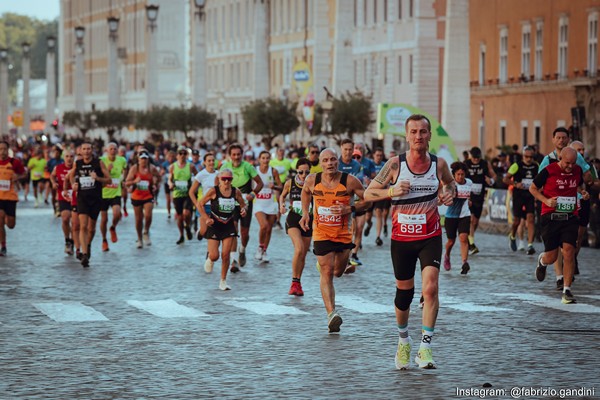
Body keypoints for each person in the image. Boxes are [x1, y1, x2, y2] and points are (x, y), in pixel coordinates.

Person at [364, 114, 455, 370]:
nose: (418, 136)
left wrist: (449, 194)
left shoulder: (439, 164)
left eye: (423, 131)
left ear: (429, 135)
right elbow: (368, 192)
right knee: (404, 295)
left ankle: (425, 347)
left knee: (430, 288)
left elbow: (451, 185)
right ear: (406, 136)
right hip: (402, 239)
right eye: (413, 132)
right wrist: (390, 191)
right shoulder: (394, 165)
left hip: (430, 236)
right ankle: (403, 340)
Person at [299, 148, 369, 333]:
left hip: (344, 234)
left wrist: (350, 208)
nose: (329, 163)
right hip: (321, 233)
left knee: (338, 272)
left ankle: (330, 268)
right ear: (320, 164)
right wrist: (305, 213)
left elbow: (368, 200)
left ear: (337, 162)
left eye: (332, 160)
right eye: (326, 160)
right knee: (327, 271)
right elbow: (305, 192)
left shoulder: (350, 181)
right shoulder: (312, 180)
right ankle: (332, 314)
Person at [538, 128, 599, 290]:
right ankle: (558, 275)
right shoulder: (548, 161)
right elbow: (537, 186)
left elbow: (587, 178)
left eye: (564, 138)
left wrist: (584, 187)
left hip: (574, 207)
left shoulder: (577, 159)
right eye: (558, 137)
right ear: (553, 140)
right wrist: (547, 199)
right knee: (553, 251)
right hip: (552, 210)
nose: (561, 140)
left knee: (572, 245)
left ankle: (567, 284)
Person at [530, 147, 589, 304]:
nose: (570, 167)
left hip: (570, 217)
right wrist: (546, 201)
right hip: (550, 217)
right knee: (552, 256)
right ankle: (542, 262)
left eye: (573, 163)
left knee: (569, 251)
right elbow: (533, 188)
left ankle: (567, 290)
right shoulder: (549, 170)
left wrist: (583, 193)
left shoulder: (576, 171)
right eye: (567, 163)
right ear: (560, 159)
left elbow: (579, 185)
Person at [197, 168, 248, 290]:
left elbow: (243, 204)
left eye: (229, 179)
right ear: (219, 179)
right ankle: (210, 258)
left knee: (226, 254)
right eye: (224, 179)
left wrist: (243, 210)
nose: (226, 182)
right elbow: (200, 204)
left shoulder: (235, 192)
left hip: (228, 225)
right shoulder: (213, 191)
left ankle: (223, 281)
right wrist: (205, 218)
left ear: (232, 180)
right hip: (215, 224)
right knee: (215, 255)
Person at [64, 142, 111, 267]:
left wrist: (98, 178)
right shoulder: (77, 163)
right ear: (81, 150)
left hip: (96, 199)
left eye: (88, 149)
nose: (86, 151)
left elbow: (109, 179)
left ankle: (88, 245)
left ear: (92, 150)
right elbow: (71, 175)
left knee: (91, 228)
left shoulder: (98, 163)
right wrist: (74, 184)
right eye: (84, 149)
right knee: (83, 226)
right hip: (82, 198)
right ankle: (84, 254)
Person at [219, 144, 263, 271]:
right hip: (230, 204)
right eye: (234, 154)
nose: (236, 157)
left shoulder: (248, 167)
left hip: (245, 204)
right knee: (233, 231)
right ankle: (233, 261)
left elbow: (260, 183)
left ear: (242, 155)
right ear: (230, 155)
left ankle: (242, 250)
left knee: (244, 233)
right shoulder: (225, 167)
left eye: (238, 154)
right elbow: (218, 183)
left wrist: (252, 194)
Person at [279, 158, 312, 296]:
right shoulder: (290, 183)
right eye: (301, 172)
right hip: (293, 218)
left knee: (303, 253)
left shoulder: (314, 183)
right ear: (296, 171)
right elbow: (282, 196)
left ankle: (298, 282)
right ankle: (293, 282)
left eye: (307, 172)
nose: (304, 175)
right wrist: (281, 205)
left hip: (309, 220)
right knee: (298, 248)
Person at [504, 146, 538, 255]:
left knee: (531, 218)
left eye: (531, 157)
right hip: (518, 195)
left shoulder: (536, 166)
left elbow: (540, 179)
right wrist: (515, 184)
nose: (529, 159)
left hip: (530, 195)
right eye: (526, 156)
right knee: (517, 221)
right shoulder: (517, 165)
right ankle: (513, 236)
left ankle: (530, 245)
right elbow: (505, 179)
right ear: (523, 156)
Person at [338, 139, 366, 271]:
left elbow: (360, 182)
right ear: (341, 149)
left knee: (356, 228)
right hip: (339, 203)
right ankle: (341, 257)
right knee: (344, 230)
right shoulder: (336, 163)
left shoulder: (357, 165)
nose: (348, 152)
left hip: (354, 202)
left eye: (350, 149)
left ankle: (353, 255)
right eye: (345, 149)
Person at [125, 150, 159, 248]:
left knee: (148, 215)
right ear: (138, 160)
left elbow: (158, 177)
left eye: (145, 159)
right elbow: (127, 182)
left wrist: (155, 184)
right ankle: (139, 239)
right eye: (142, 159)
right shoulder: (134, 169)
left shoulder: (152, 168)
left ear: (148, 160)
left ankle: (146, 231)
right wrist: (135, 181)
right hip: (136, 196)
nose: (144, 161)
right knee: (139, 219)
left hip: (148, 196)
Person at [465, 146, 496, 255]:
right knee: (472, 219)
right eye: (474, 158)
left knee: (476, 221)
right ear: (471, 156)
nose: (476, 160)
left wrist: (491, 180)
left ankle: (470, 239)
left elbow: (494, 176)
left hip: (480, 195)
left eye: (478, 158)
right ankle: (471, 243)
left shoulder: (485, 163)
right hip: (469, 196)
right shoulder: (466, 164)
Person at [443, 162, 472, 274]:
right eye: (458, 174)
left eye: (462, 174)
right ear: (454, 175)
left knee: (464, 238)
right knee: (451, 241)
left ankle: (464, 263)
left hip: (464, 214)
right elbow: (446, 201)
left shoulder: (469, 183)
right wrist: (451, 196)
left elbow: (470, 196)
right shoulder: (450, 185)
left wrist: (469, 201)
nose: (460, 177)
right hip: (451, 216)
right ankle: (447, 255)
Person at [253, 151, 282, 262]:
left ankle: (265, 251)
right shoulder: (254, 171)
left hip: (271, 203)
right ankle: (260, 247)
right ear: (259, 159)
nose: (265, 160)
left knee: (269, 229)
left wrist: (274, 186)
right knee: (263, 226)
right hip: (258, 203)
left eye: (267, 158)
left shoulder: (273, 171)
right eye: (263, 158)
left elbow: (281, 186)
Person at [99, 143, 127, 252]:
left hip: (116, 192)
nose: (113, 150)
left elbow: (124, 170)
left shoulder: (122, 160)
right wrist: (108, 171)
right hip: (103, 193)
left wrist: (123, 180)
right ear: (107, 150)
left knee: (117, 213)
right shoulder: (101, 160)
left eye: (115, 149)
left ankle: (113, 227)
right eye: (111, 149)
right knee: (104, 219)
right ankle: (104, 240)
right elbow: (98, 176)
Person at [0, 141, 26, 256]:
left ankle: (6, 218)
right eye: (0, 149)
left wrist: (18, 177)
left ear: (8, 150)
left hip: (10, 197)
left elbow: (24, 173)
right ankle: (3, 246)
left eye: (4, 149)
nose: (2, 151)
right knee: (0, 220)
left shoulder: (14, 162)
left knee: (10, 225)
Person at [168, 146, 199, 244]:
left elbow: (198, 177)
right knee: (180, 217)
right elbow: (169, 178)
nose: (182, 156)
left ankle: (188, 226)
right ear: (177, 156)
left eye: (184, 153)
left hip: (188, 194)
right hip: (177, 194)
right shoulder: (173, 166)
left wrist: (195, 186)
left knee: (187, 213)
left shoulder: (191, 166)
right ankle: (181, 235)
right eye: (180, 154)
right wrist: (170, 184)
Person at [50, 149, 76, 255]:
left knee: (74, 222)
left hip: (75, 197)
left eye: (71, 156)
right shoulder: (58, 168)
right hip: (63, 196)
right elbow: (52, 175)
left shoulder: (77, 168)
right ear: (63, 158)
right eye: (67, 156)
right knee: (65, 218)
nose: (69, 158)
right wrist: (53, 183)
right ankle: (67, 240)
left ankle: (73, 242)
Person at [189, 152, 218, 242]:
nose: (211, 162)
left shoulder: (219, 174)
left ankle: (210, 253)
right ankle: (200, 232)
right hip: (204, 206)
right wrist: (197, 204)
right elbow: (191, 192)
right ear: (204, 162)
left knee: (214, 231)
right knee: (204, 230)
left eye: (213, 160)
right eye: (209, 161)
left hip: (216, 206)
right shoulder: (201, 174)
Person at [371, 147, 390, 245]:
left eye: (381, 155)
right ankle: (369, 224)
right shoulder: (369, 164)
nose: (379, 157)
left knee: (380, 212)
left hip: (381, 192)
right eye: (377, 155)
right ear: (373, 155)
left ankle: (378, 236)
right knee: (367, 217)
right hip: (370, 192)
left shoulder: (385, 166)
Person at [161, 150, 176, 219]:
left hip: (174, 183)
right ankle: (169, 213)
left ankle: (176, 211)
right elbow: (161, 172)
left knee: (174, 198)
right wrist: (162, 172)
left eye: (172, 157)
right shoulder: (164, 164)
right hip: (166, 182)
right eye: (170, 157)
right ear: (167, 157)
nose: (171, 158)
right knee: (168, 199)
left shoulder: (176, 164)